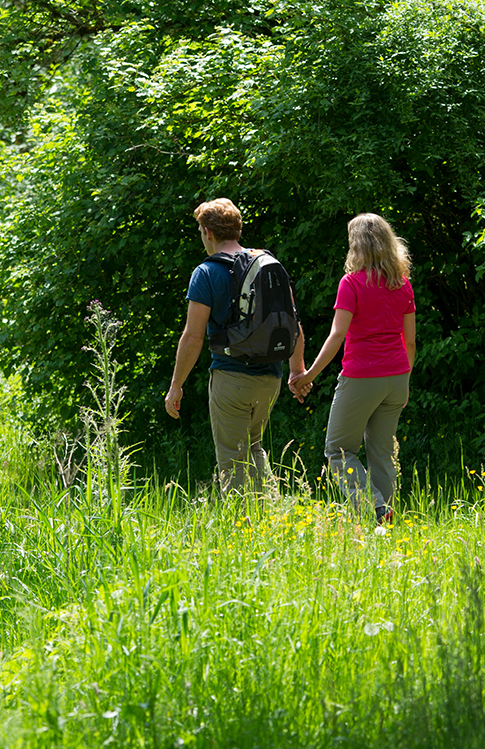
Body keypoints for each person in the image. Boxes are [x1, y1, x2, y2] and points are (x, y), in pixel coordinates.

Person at [164, 198, 306, 495]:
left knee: (232, 459)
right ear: (237, 229)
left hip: (231, 377)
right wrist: (297, 371)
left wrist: (176, 385)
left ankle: (243, 528)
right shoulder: (267, 264)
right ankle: (274, 515)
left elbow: (193, 336)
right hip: (271, 378)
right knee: (254, 448)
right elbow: (293, 323)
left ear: (208, 232)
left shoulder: (205, 273)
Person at [290, 213, 415, 524]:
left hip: (363, 377)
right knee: (382, 452)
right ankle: (386, 519)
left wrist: (308, 376)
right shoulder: (403, 285)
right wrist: (405, 382)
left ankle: (374, 510)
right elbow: (410, 342)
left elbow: (337, 334)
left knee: (338, 450)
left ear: (357, 246)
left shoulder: (352, 283)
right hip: (397, 377)